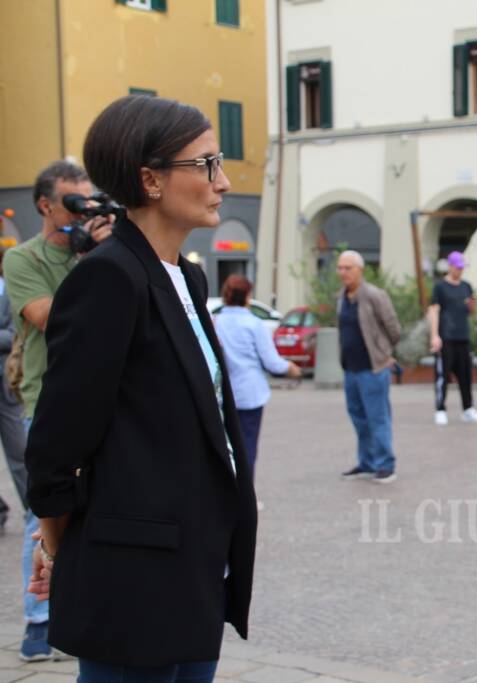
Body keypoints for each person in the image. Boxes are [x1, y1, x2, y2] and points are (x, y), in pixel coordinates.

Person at [24, 95, 257, 681]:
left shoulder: (187, 273)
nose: (222, 181)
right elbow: (56, 444)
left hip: (195, 559)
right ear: (150, 179)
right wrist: (54, 544)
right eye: (205, 165)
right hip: (132, 573)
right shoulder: (108, 277)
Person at [5, 160, 113, 662]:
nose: (83, 210)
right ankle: (37, 621)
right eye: (73, 201)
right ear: (46, 205)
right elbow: (48, 317)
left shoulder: (99, 252)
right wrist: (89, 258)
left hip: (105, 399)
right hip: (46, 400)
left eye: (87, 199)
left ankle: (85, 613)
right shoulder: (23, 259)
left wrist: (103, 250)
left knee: (100, 511)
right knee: (44, 513)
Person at [214, 274, 301, 495]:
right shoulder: (255, 324)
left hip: (223, 394)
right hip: (250, 393)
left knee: (225, 447)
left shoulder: (216, 322)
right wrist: (290, 368)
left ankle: (226, 494)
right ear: (248, 297)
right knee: (247, 447)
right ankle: (244, 495)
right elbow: (271, 361)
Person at [335, 250, 402, 484]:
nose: (343, 272)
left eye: (348, 268)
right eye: (340, 268)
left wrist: (385, 354)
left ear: (360, 270)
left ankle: (386, 464)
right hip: (351, 369)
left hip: (373, 369)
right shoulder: (342, 297)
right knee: (359, 418)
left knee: (378, 418)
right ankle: (367, 463)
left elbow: (394, 329)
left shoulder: (374, 295)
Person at [429, 251, 477, 425]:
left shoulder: (466, 286)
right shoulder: (440, 287)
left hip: (463, 336)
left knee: (465, 375)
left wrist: (472, 306)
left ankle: (468, 409)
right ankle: (440, 409)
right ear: (450, 266)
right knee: (442, 375)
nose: (460, 270)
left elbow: (471, 312)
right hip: (446, 337)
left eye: (462, 267)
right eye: (458, 267)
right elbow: (434, 311)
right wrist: (435, 335)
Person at [0, 248, 28, 535]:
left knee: (18, 452)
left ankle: (31, 507)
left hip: (5, 384)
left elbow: (14, 333)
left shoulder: (9, 288)